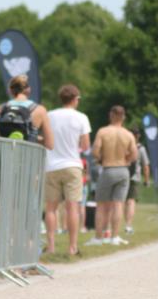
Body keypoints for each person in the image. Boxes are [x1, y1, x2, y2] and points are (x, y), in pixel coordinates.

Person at [44, 85, 91, 257]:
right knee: (72, 208)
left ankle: (51, 246)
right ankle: (72, 247)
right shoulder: (81, 117)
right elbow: (86, 146)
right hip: (72, 165)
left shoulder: (49, 115)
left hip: (51, 166)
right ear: (75, 99)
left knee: (51, 208)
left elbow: (45, 137)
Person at [87, 106, 137, 246]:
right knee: (118, 204)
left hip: (108, 169)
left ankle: (98, 238)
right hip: (123, 170)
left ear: (111, 115)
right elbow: (134, 155)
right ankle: (114, 237)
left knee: (101, 205)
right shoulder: (128, 134)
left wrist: (101, 159)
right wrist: (126, 160)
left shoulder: (103, 131)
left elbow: (95, 151)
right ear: (123, 117)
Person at [0, 74, 53, 148]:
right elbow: (50, 144)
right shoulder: (39, 110)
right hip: (28, 153)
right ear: (29, 89)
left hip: (5, 153)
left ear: (10, 90)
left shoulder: (0, 109)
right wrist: (34, 137)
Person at [124, 126, 150, 234]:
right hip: (134, 177)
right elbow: (145, 166)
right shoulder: (141, 148)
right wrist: (146, 180)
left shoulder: (123, 147)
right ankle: (128, 225)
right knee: (131, 201)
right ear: (138, 136)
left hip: (122, 176)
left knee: (120, 201)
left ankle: (113, 226)